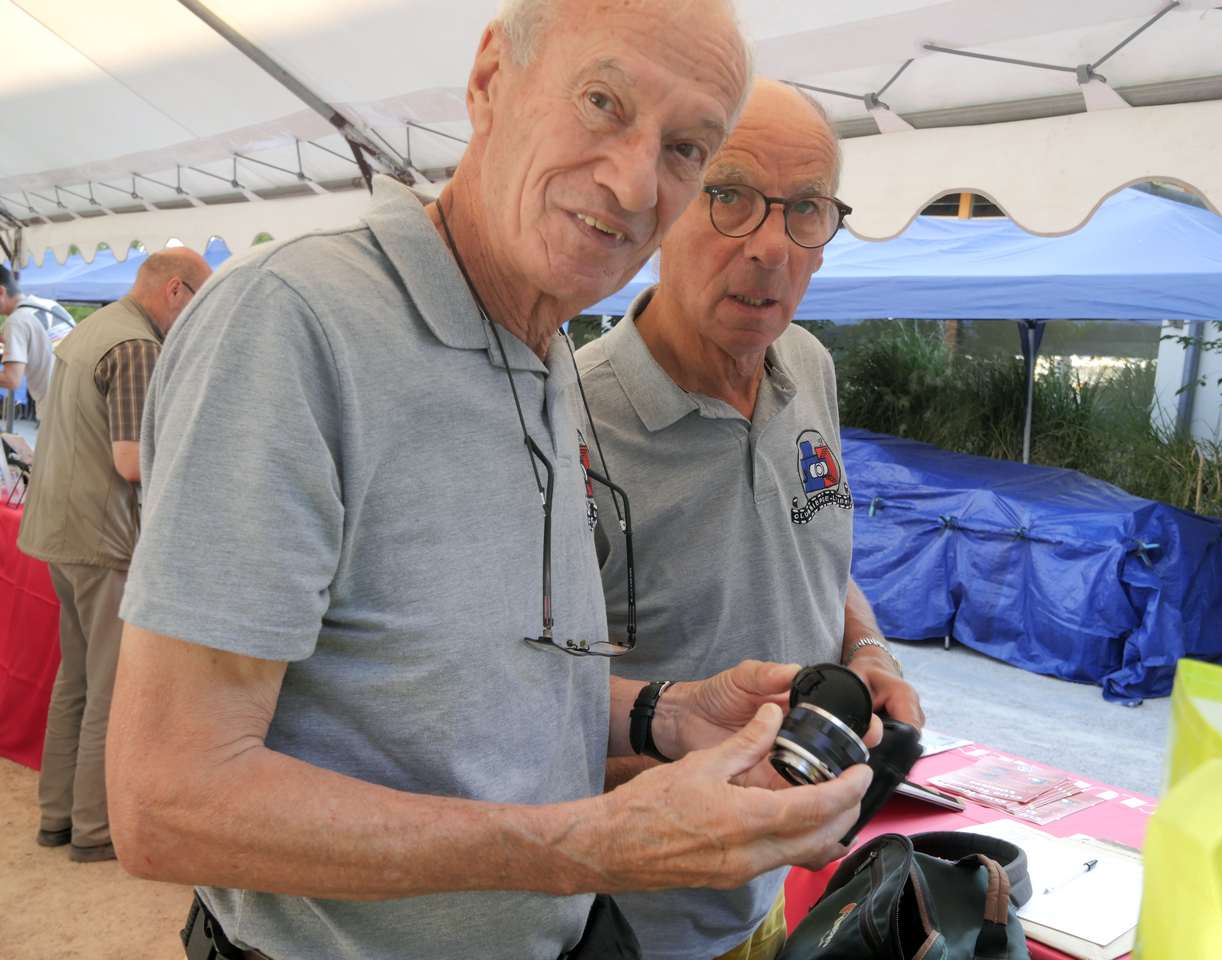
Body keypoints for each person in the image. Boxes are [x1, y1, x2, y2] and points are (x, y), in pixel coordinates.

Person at [104, 3, 876, 958]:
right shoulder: (295, 322)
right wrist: (583, 849)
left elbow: (464, 693)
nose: (635, 180)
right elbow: (168, 802)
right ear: (488, 84)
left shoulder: (539, 345)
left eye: (684, 148)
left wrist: (663, 712)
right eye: (603, 101)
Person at [575, 79, 926, 960]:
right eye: (729, 197)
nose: (771, 246)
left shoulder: (807, 364)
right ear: (663, 204)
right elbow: (507, 726)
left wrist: (867, 651)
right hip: (623, 926)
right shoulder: (567, 425)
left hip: (766, 903)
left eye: (805, 210)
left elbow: (810, 547)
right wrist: (698, 775)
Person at [17, 248, 212, 863]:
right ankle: (95, 829)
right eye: (196, 306)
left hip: (60, 533)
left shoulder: (90, 331)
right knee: (106, 688)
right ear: (176, 292)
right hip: (102, 539)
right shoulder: (138, 348)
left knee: (74, 682)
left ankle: (59, 818)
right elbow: (131, 461)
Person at [0, 264, 75, 410]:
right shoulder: (50, 305)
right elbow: (44, 342)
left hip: (57, 411)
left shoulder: (16, 321)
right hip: (82, 400)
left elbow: (11, 380)